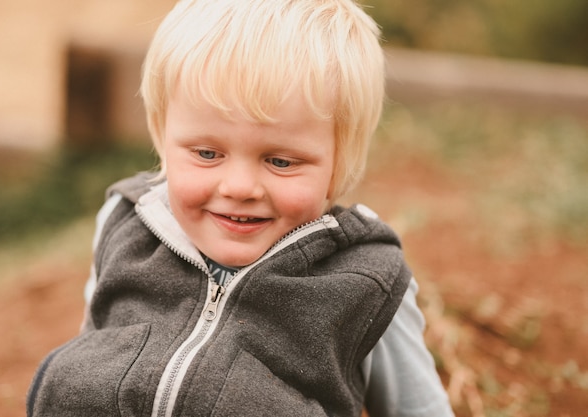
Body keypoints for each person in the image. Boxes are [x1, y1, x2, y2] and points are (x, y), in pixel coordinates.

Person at [27, 0, 454, 416]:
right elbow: (95, 339)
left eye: (280, 161)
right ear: (163, 136)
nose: (239, 187)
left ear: (338, 161)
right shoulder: (125, 222)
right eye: (207, 154)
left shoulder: (367, 280)